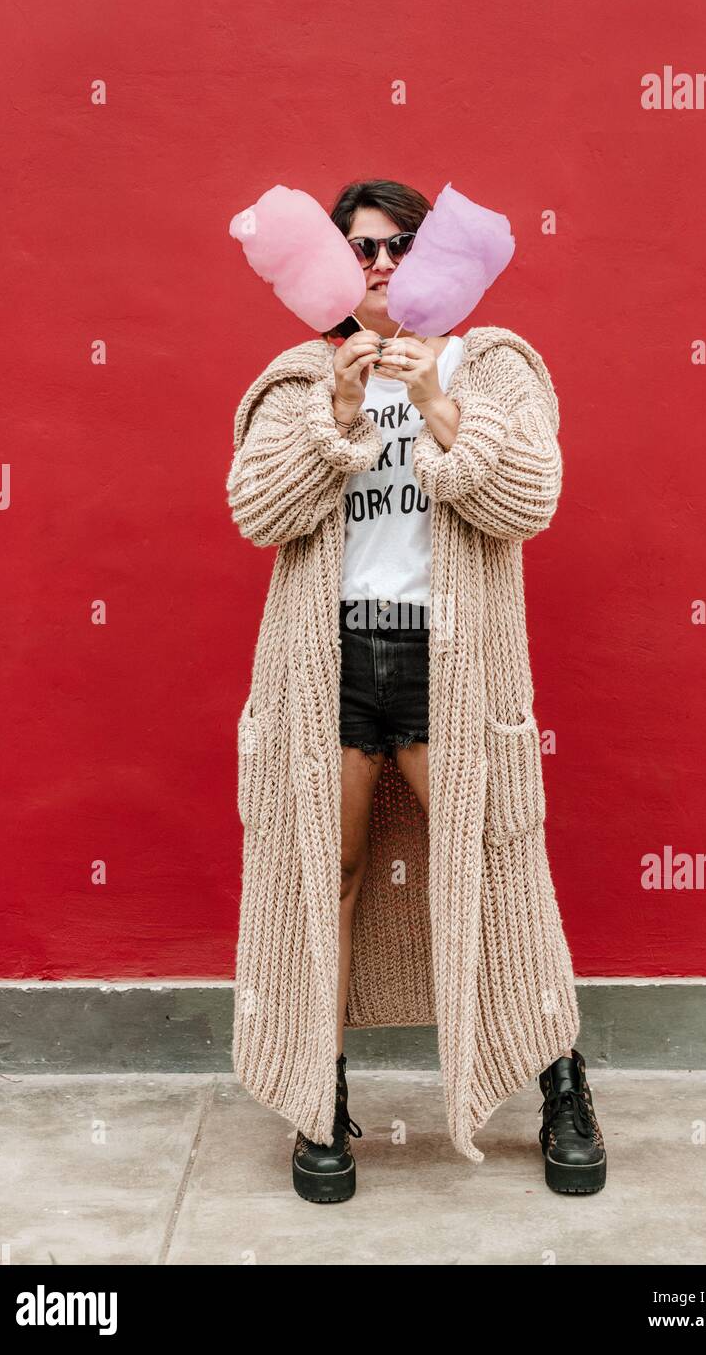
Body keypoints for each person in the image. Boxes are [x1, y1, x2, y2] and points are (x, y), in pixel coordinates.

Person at [227, 178, 606, 1204]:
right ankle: (323, 1093)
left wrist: (439, 405)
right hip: (334, 660)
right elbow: (256, 510)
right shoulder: (300, 375)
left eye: (400, 243)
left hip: (453, 659)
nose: (382, 262)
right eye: (362, 248)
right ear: (337, 264)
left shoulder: (495, 365)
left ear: (435, 255)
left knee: (500, 871)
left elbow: (529, 496)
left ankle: (562, 1080)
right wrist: (336, 418)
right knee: (328, 871)